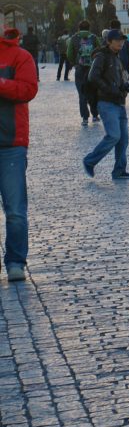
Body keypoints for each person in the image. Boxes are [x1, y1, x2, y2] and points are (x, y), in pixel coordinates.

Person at [0, 27, 39, 282]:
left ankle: (15, 261)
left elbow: (28, 90)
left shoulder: (20, 55)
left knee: (14, 209)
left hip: (11, 141)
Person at [83, 30, 129, 180]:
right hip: (107, 102)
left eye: (122, 40)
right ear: (109, 41)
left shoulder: (116, 58)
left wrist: (125, 86)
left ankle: (119, 171)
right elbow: (92, 77)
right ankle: (89, 161)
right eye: (118, 40)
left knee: (123, 139)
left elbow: (117, 79)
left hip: (119, 103)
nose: (121, 43)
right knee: (113, 136)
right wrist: (110, 89)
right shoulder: (101, 56)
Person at [67, 20, 100, 126]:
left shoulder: (74, 38)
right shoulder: (94, 38)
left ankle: (85, 118)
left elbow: (69, 54)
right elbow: (99, 51)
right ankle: (95, 115)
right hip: (92, 69)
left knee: (82, 94)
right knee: (93, 92)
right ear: (89, 28)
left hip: (80, 69)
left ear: (79, 28)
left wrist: (75, 63)